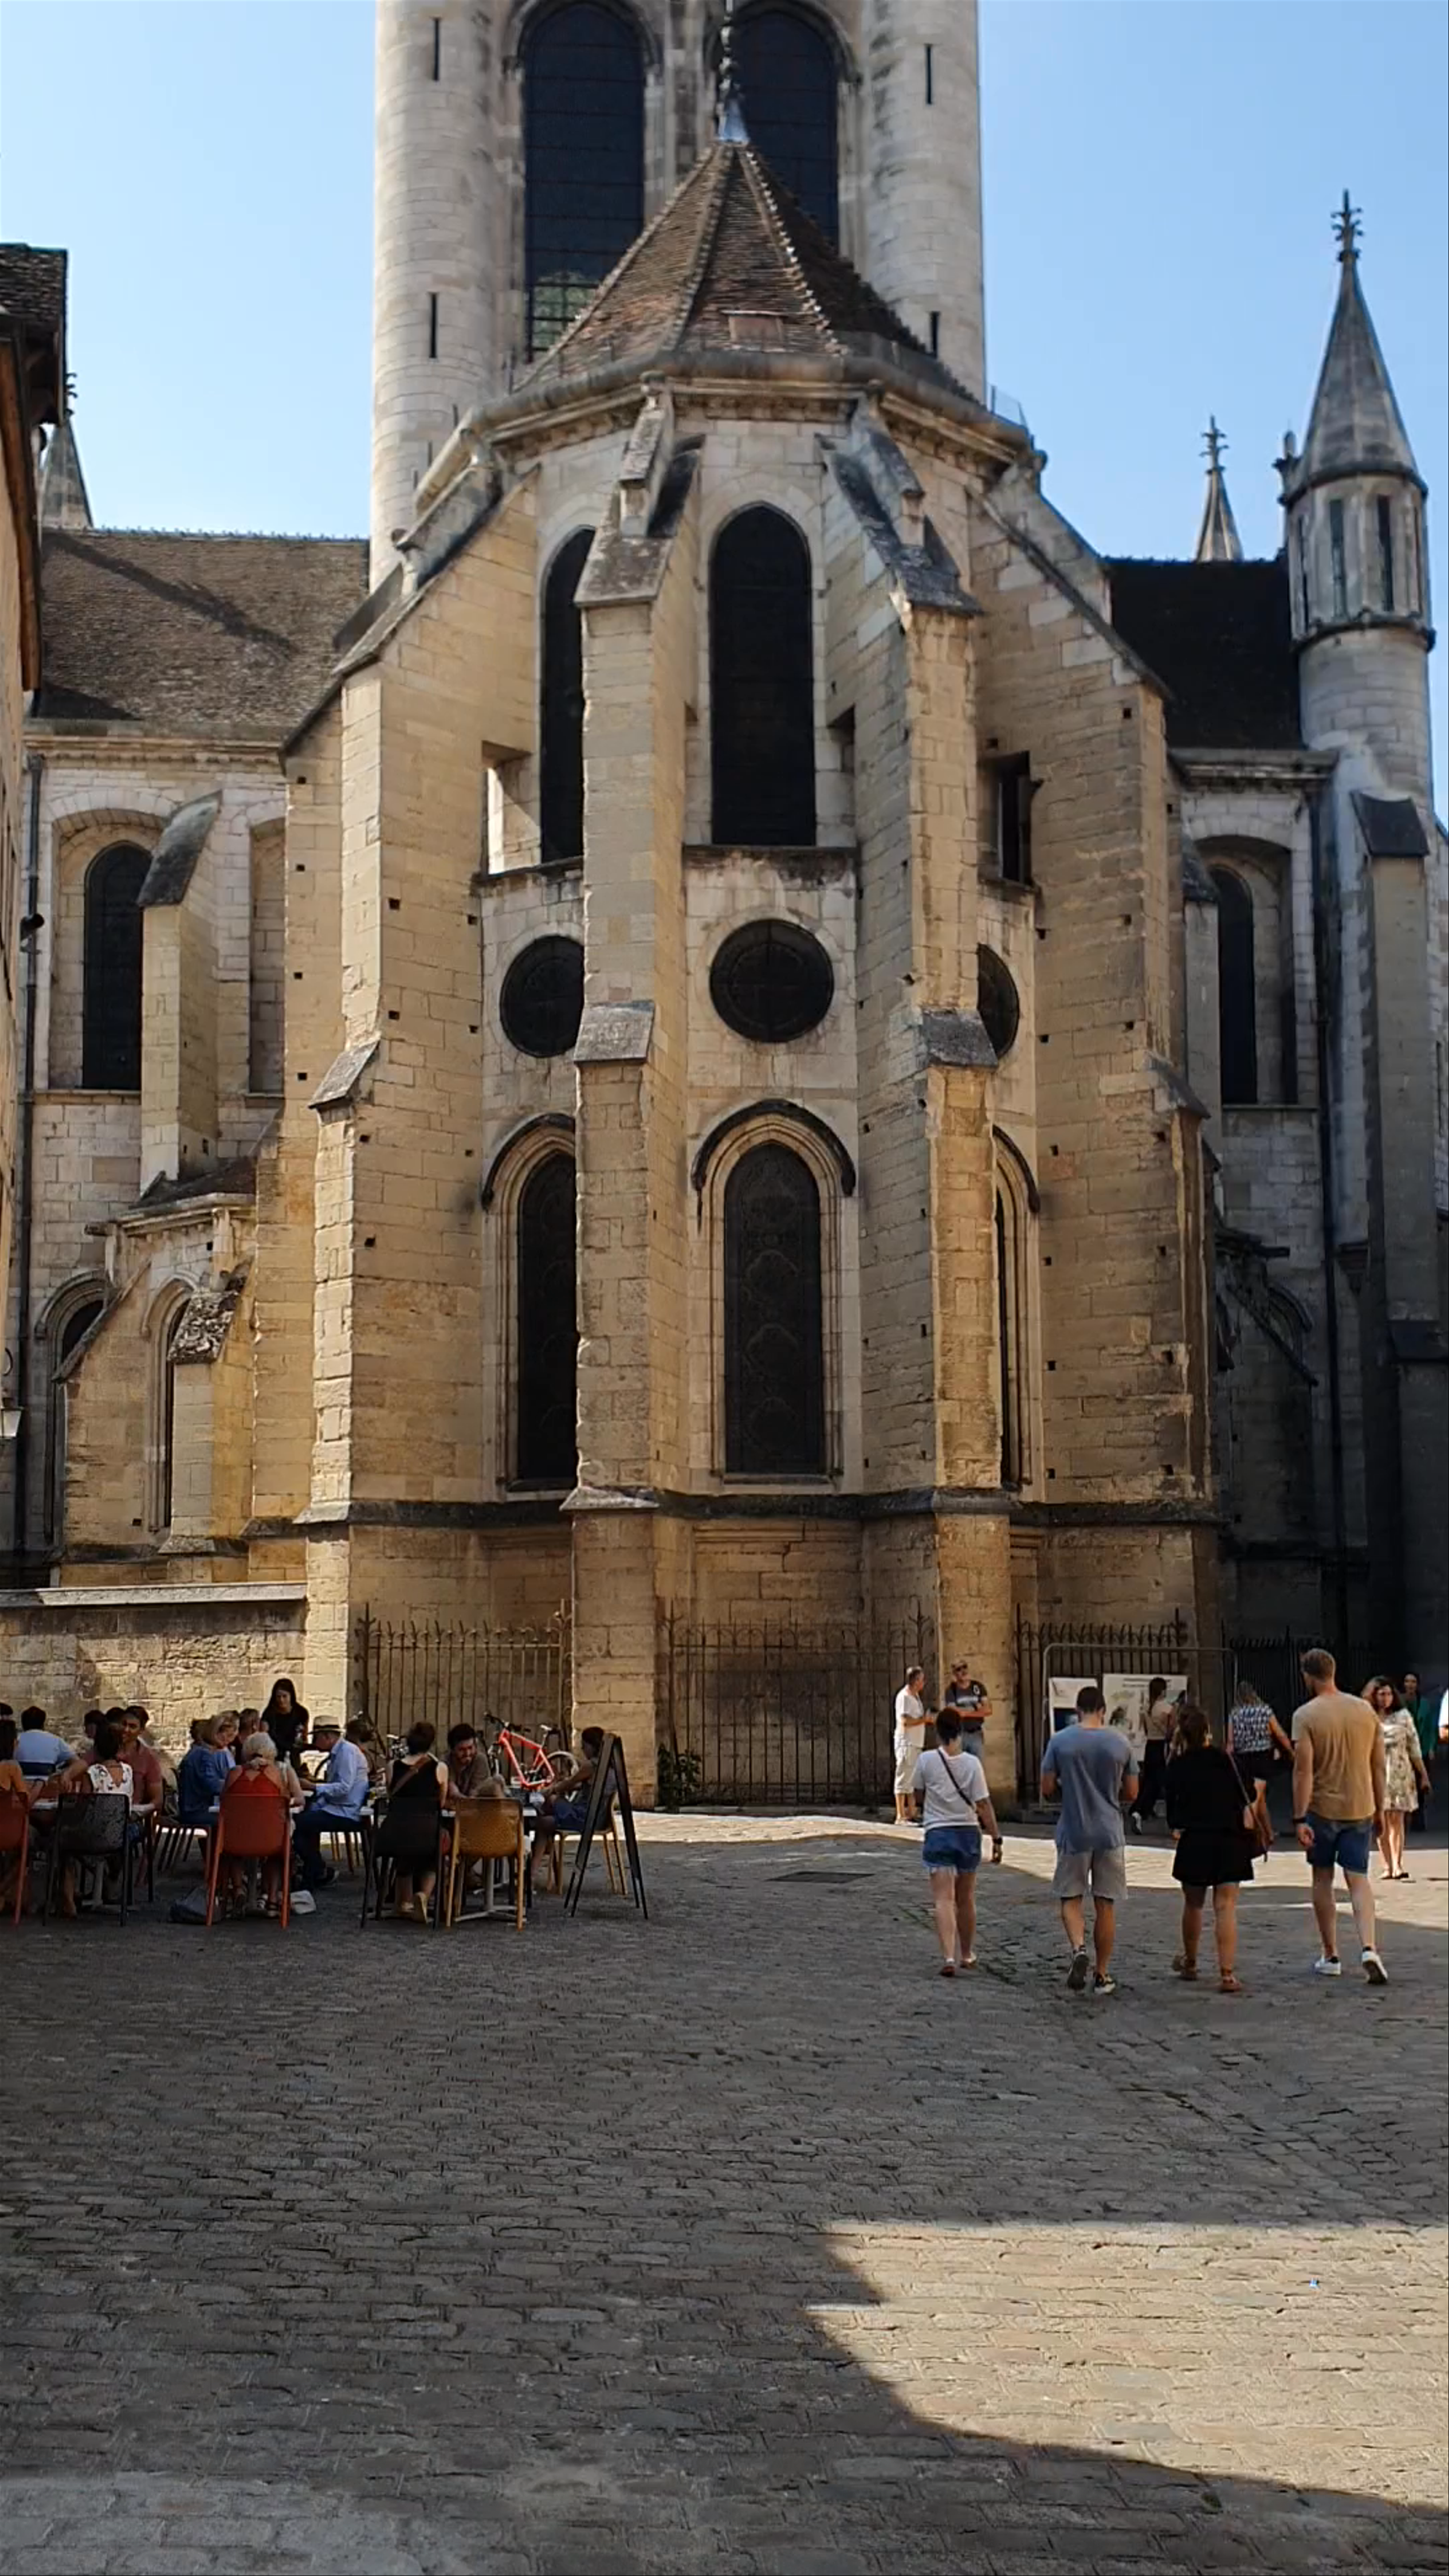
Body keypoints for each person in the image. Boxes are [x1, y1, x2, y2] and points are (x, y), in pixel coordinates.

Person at [1291, 1649, 1388, 1985]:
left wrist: (1299, 1817)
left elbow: (1303, 1771)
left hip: (1322, 1808)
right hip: (1360, 1805)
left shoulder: (1306, 1716)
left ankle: (1330, 1953)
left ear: (1308, 1676)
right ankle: (1369, 1946)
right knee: (1359, 1879)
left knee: (1322, 1877)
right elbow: (1378, 1765)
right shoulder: (1365, 1711)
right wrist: (1381, 1804)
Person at [1041, 1684, 1137, 1996]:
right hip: (1109, 1830)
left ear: (1077, 1710)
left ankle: (1079, 1948)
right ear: (1103, 1710)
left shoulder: (1060, 1742)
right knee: (1105, 1903)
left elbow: (1046, 1787)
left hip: (1074, 1828)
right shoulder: (1120, 1743)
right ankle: (1102, 1973)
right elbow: (1133, 1792)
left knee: (1071, 1897)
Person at [1165, 1702, 1258, 1993]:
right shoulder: (1229, 1761)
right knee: (1226, 1906)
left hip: (1196, 1841)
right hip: (1230, 1839)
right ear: (1208, 1731)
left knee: (1193, 1904)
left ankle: (1191, 1962)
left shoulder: (1178, 1766)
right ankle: (1227, 1973)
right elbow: (1251, 1795)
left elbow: (1173, 1814)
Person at [913, 1707, 1003, 1975]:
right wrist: (996, 1837)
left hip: (939, 1833)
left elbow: (918, 1795)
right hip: (967, 1834)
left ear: (937, 1733)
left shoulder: (926, 1760)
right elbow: (984, 1804)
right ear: (960, 1732)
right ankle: (967, 1953)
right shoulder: (973, 1764)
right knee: (966, 1899)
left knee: (943, 1899)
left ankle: (948, 1958)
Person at [41, 1713, 133, 1919]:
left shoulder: (93, 1773)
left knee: (60, 1843)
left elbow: (84, 1808)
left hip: (91, 1835)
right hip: (117, 1837)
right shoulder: (129, 1772)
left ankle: (67, 1899)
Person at [218, 1730, 304, 1915]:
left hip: (237, 1838)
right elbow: (289, 1799)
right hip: (270, 1838)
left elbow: (224, 1799)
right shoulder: (278, 1773)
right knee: (277, 1852)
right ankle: (273, 1900)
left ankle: (239, 1888)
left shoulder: (234, 1773)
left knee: (233, 1847)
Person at [376, 1721, 449, 1921]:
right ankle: (424, 1896)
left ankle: (404, 1903)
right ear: (431, 1743)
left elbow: (391, 1796)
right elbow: (441, 1804)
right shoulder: (440, 1768)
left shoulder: (393, 1767)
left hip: (395, 1835)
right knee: (435, 1848)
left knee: (405, 1848)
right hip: (427, 1835)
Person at [292, 1718, 372, 1887]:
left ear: (328, 1737)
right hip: (336, 1807)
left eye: (317, 1738)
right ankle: (313, 1872)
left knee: (299, 1825)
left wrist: (314, 1787)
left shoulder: (347, 1752)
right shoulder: (339, 1753)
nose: (315, 1743)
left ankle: (316, 1870)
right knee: (304, 1821)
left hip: (346, 1811)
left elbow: (344, 1788)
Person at [1366, 1678, 1429, 1882]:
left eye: (1389, 1694)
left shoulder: (1403, 1717)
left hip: (1400, 1774)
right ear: (1374, 1696)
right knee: (1381, 1820)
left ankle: (1398, 1865)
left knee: (1397, 1820)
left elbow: (1414, 1746)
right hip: (1376, 1773)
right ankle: (1386, 1865)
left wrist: (1424, 1775)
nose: (1385, 1699)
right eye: (1381, 1694)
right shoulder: (1368, 1717)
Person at [1225, 1680, 1294, 1793]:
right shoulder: (1265, 1711)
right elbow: (1280, 1734)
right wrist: (1290, 1751)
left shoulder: (1234, 1714)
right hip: (1264, 1758)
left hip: (1244, 1760)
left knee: (1250, 1794)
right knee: (1264, 1792)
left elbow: (1230, 1742)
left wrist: (1229, 1761)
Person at [176, 1713, 239, 1828]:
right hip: (195, 1811)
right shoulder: (204, 1755)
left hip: (192, 1808)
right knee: (237, 1820)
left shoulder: (199, 1751)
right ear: (217, 1733)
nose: (229, 1741)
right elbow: (212, 1786)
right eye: (228, 1735)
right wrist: (235, 1784)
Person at [1128, 1679, 1174, 1830]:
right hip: (1161, 1747)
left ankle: (1141, 1810)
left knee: (1149, 1780)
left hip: (1150, 1746)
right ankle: (1140, 1811)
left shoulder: (1147, 1708)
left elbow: (1147, 1731)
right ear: (1163, 1691)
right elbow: (1170, 1733)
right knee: (1163, 1782)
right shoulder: (1168, 1709)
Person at [892, 1667, 930, 1824]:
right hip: (907, 1742)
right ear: (916, 1681)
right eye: (922, 1679)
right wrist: (925, 1720)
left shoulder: (915, 1696)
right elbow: (906, 1721)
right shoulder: (905, 1697)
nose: (924, 1683)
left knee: (911, 1779)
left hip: (915, 1742)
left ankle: (912, 1811)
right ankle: (901, 1815)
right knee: (903, 1777)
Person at [0, 1715, 29, 1913]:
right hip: (7, 1833)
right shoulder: (11, 1767)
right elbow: (26, 1800)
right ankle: (2, 1892)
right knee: (33, 1847)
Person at [940, 1659, 992, 1765]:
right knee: (959, 1768)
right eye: (959, 1669)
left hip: (976, 1735)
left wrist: (965, 1712)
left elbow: (988, 1710)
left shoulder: (977, 1687)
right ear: (955, 1674)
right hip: (959, 1736)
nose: (963, 1671)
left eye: (965, 1667)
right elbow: (954, 1712)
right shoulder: (951, 1690)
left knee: (977, 1768)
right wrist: (976, 1708)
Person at [1403, 1670, 1436, 1833]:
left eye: (1413, 1682)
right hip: (1404, 1751)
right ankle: (1404, 1819)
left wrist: (1431, 1747)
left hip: (1421, 1749)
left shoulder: (1425, 1704)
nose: (1410, 1685)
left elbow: (1431, 1728)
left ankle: (1419, 1819)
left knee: (1421, 1785)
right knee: (1404, 1785)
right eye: (1408, 1681)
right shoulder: (1399, 1703)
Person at [259, 1677, 309, 1768]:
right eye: (279, 1697)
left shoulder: (301, 1713)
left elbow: (304, 1737)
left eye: (285, 1696)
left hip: (293, 1755)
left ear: (291, 1696)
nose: (281, 1700)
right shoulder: (269, 1713)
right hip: (273, 1756)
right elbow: (263, 1737)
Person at [15, 1707, 75, 1780]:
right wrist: (65, 1773)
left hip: (20, 1785)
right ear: (43, 1724)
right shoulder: (56, 1740)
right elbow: (76, 1762)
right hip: (47, 1785)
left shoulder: (16, 1740)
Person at [446, 1722, 500, 1801]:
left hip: (477, 1808)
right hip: (451, 1809)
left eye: (470, 1748)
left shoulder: (480, 1760)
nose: (467, 1754)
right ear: (453, 1750)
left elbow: (475, 1797)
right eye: (462, 1750)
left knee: (497, 1781)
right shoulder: (445, 1763)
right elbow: (452, 1794)